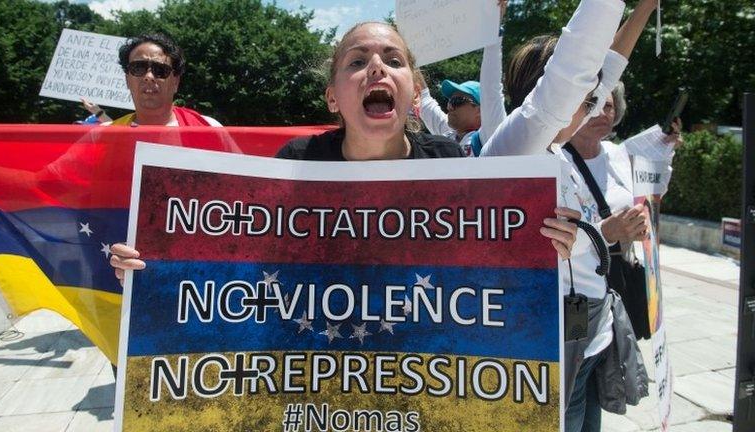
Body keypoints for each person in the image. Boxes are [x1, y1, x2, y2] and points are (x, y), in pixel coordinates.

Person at [110, 21, 581, 290]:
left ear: (412, 91)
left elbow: (490, 264)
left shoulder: (450, 163)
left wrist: (542, 240)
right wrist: (155, 259)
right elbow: (238, 257)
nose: (377, 66)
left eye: (393, 60)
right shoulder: (296, 162)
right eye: (357, 62)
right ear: (333, 97)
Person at [478, 0, 652, 431]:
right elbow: (573, 71)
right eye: (585, 96)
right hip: (552, 345)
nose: (594, 105)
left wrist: (645, 8)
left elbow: (608, 66)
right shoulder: (514, 148)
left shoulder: (560, 149)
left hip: (593, 337)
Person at [418, 0, 508, 156]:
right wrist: (406, 54)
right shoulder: (447, 134)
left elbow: (491, 89)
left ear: (481, 110)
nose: (450, 107)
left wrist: (493, 30)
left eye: (457, 101)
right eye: (451, 101)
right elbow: (424, 99)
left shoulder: (490, 136)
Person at [107, 33, 222, 127]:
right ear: (127, 80)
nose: (149, 77)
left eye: (160, 70)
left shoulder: (209, 129)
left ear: (175, 82)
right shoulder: (103, 136)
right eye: (138, 68)